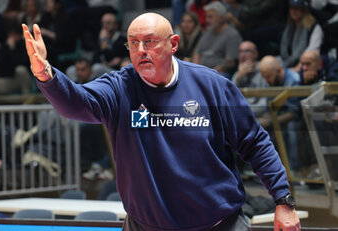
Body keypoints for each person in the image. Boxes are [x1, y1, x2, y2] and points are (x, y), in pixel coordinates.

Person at [22, 12, 300, 231]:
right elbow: (76, 104)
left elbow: (256, 143)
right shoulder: (119, 87)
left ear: (174, 44)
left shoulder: (212, 85)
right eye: (133, 43)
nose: (141, 50)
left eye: (150, 41)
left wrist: (283, 201)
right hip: (145, 225)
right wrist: (46, 74)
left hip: (220, 224)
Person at [258, 55, 302, 174]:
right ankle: (268, 171)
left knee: (290, 127)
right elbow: (269, 109)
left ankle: (294, 171)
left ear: (278, 71)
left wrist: (271, 121)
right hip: (278, 118)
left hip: (297, 119)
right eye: (264, 78)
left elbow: (295, 113)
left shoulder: (294, 79)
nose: (267, 81)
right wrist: (261, 120)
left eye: (268, 77)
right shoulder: (269, 83)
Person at [193, 1, 242, 78]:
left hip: (220, 73)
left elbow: (230, 62)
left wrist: (210, 73)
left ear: (221, 18)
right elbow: (197, 53)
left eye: (210, 17)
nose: (207, 20)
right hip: (203, 72)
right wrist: (196, 71)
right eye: (206, 17)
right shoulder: (207, 32)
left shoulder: (232, 34)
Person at [279, 0, 323, 71]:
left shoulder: (314, 27)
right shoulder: (289, 27)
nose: (293, 11)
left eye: (297, 8)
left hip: (305, 66)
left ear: (304, 10)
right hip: (287, 63)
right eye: (291, 8)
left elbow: (312, 52)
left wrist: (295, 68)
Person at [231, 41, 267, 117]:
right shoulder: (238, 74)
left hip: (258, 114)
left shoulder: (264, 69)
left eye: (247, 51)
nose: (243, 55)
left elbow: (265, 103)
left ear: (255, 54)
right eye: (240, 51)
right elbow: (230, 97)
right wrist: (239, 76)